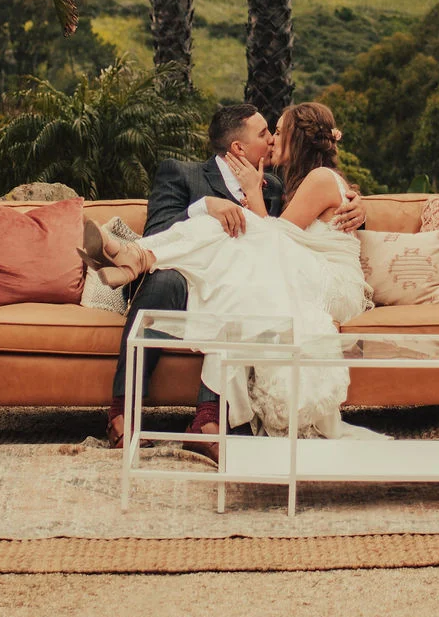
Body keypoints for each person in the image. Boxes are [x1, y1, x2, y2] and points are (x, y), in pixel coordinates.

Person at [91, 102, 374, 446]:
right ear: (239, 147)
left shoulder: (275, 185)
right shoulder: (182, 173)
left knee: (242, 259)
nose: (272, 140)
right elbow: (164, 226)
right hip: (188, 277)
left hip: (305, 280)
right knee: (226, 255)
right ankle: (132, 411)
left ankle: (135, 256)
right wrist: (206, 206)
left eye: (277, 132)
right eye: (266, 133)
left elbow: (277, 235)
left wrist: (362, 208)